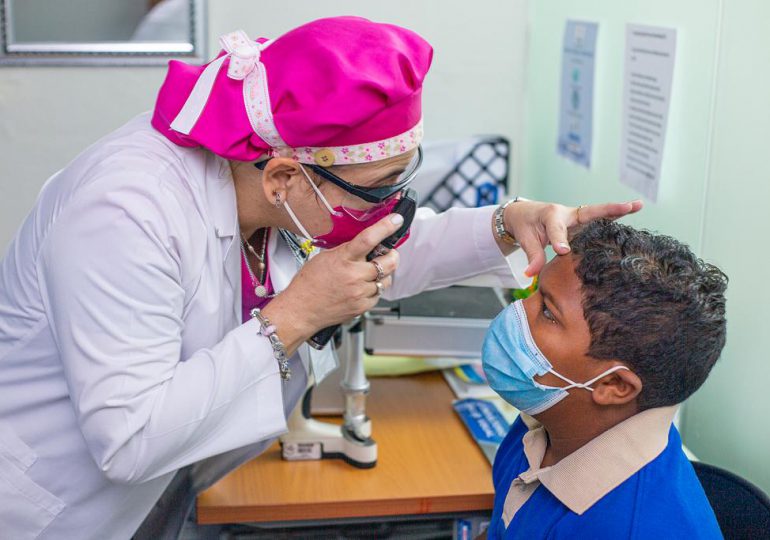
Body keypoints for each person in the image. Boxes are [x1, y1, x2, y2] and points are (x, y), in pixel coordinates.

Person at [0, 17, 640, 539]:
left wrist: (508, 221)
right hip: (56, 508)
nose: (390, 209)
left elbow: (379, 257)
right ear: (282, 176)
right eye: (376, 190)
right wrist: (294, 316)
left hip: (167, 484)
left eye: (401, 180)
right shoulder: (124, 213)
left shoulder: (271, 190)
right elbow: (129, 441)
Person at [481, 219, 727, 539]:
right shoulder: (546, 421)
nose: (517, 310)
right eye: (534, 293)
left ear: (613, 386)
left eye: (547, 312)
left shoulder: (633, 529)